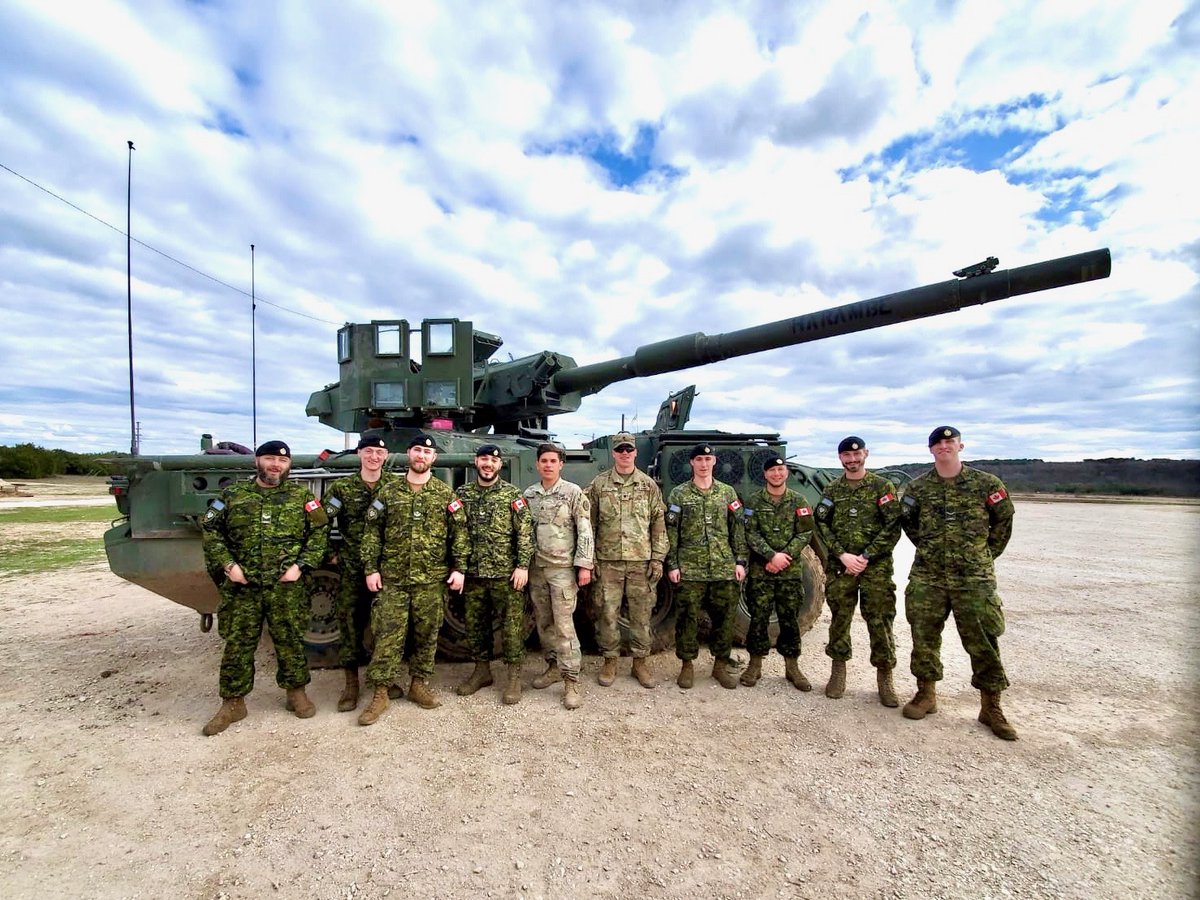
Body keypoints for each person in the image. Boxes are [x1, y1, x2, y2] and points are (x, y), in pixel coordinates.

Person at [199, 440, 329, 736]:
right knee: (237, 644)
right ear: (257, 461)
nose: (275, 465)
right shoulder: (233, 495)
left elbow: (319, 532)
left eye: (281, 461)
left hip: (286, 585)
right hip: (244, 585)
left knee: (290, 640)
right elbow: (210, 529)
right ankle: (233, 703)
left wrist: (301, 566)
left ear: (288, 465)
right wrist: (228, 565)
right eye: (269, 459)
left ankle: (296, 693)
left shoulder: (301, 496)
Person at [900, 426, 1018, 740]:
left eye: (949, 442)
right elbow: (909, 524)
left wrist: (984, 554)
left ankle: (990, 706)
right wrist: (930, 549)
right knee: (923, 637)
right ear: (931, 450)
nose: (943, 446)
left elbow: (1003, 521)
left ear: (960, 446)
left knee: (984, 640)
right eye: (937, 443)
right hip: (929, 576)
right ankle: (926, 694)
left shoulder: (986, 484)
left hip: (974, 578)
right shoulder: (918, 488)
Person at [357, 433, 469, 725]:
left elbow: (459, 534)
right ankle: (380, 692)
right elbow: (372, 533)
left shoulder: (446, 495)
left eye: (427, 453)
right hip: (393, 579)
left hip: (431, 580)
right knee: (387, 636)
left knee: (427, 635)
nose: (421, 456)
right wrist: (371, 568)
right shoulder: (389, 492)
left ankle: (418, 684)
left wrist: (459, 569)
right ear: (409, 453)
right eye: (417, 450)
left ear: (434, 459)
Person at [813, 436, 903, 706]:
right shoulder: (832, 489)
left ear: (866, 454)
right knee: (840, 618)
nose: (852, 460)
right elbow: (822, 523)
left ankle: (885, 679)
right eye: (846, 456)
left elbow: (893, 526)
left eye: (856, 455)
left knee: (879, 620)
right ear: (841, 458)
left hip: (874, 567)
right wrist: (842, 554)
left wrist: (865, 556)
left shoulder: (881, 486)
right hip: (842, 566)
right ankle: (838, 672)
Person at [584, 432, 667, 689]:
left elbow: (658, 524)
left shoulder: (648, 485)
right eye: (620, 450)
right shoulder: (599, 485)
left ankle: (640, 662)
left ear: (635, 452)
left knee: (641, 615)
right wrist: (591, 559)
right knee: (607, 613)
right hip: (608, 562)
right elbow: (590, 524)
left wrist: (658, 559)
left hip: (640, 562)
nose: (625, 454)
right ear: (613, 453)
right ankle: (610, 660)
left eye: (628, 449)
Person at [321, 435, 397, 712]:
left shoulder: (394, 487)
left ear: (385, 456)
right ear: (359, 454)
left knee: (386, 627)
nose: (374, 457)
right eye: (369, 451)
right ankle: (351, 685)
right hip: (353, 567)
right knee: (351, 626)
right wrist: (330, 551)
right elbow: (320, 520)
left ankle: (383, 682)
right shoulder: (343, 488)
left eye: (379, 452)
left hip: (387, 568)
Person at [454, 444, 535, 705]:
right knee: (476, 627)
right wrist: (459, 567)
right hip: (474, 574)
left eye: (493, 460)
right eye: (484, 459)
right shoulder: (463, 494)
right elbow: (457, 533)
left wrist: (523, 566)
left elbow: (524, 533)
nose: (488, 464)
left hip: (506, 574)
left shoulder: (513, 495)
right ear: (476, 462)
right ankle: (482, 670)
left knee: (512, 628)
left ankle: (513, 677)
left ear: (500, 465)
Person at [665, 443, 748, 690]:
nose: (703, 464)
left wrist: (741, 560)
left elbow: (737, 529)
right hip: (690, 568)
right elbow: (672, 533)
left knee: (725, 618)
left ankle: (720, 665)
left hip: (723, 566)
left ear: (714, 462)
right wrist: (673, 564)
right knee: (687, 618)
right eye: (699, 459)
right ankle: (687, 665)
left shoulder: (727, 493)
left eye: (707, 459)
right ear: (691, 463)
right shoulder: (679, 495)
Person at [523, 443, 594, 710]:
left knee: (565, 626)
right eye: (544, 461)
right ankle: (552, 666)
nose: (548, 465)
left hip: (563, 570)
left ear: (561, 464)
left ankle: (571, 680)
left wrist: (584, 565)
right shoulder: (530, 494)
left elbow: (585, 530)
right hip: (537, 569)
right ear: (538, 464)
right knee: (544, 623)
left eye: (553, 461)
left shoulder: (573, 493)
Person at [740, 455, 816, 690]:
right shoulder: (753, 501)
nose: (776, 474)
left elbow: (805, 533)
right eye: (771, 470)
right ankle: (754, 665)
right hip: (761, 570)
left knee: (790, 620)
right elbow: (750, 533)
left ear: (786, 473)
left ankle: (792, 667)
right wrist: (771, 556)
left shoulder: (798, 500)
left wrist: (785, 557)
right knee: (758, 619)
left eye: (780, 470)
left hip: (789, 572)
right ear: (765, 474)